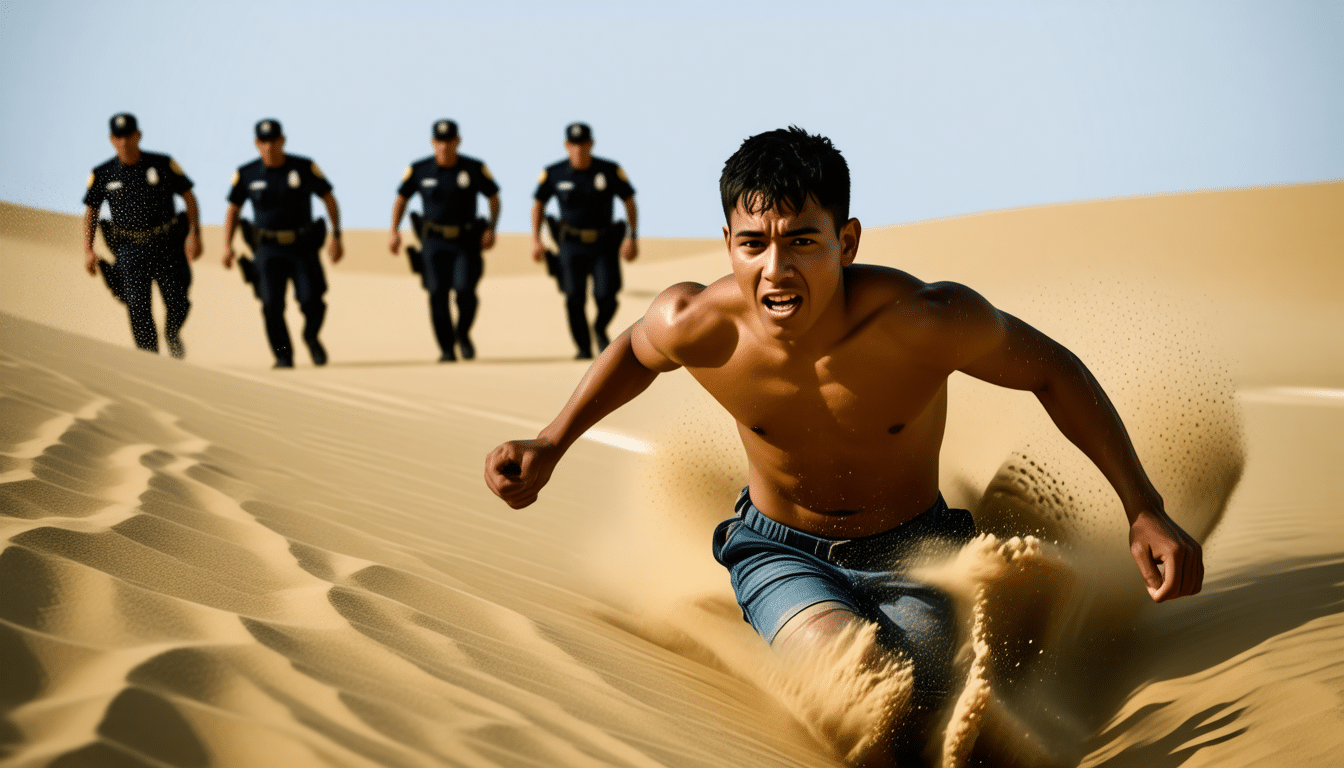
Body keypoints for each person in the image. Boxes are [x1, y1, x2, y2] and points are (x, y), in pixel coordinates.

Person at [486, 127, 1203, 761]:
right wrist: (550, 443)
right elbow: (637, 353)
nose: (776, 269)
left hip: (917, 551)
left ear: (846, 242)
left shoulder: (922, 321)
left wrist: (1142, 506)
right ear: (729, 246)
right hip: (778, 552)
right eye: (752, 244)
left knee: (922, 708)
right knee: (863, 689)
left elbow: (1052, 370)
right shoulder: (699, 322)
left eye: (802, 240)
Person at [222, 118, 343, 368]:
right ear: (257, 144)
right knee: (271, 305)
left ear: (283, 141)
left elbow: (328, 198)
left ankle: (311, 336)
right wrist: (227, 244)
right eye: (263, 142)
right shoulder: (247, 174)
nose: (269, 147)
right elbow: (233, 210)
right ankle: (283, 355)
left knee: (313, 301)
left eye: (274, 141)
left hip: (302, 247)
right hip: (267, 250)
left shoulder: (304, 167)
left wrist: (337, 235)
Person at [82, 112, 203, 358]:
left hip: (167, 244)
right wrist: (87, 249)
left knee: (178, 302)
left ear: (138, 135)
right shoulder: (103, 173)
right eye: (118, 137)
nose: (124, 141)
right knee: (138, 309)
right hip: (130, 250)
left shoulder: (162, 163)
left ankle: (171, 333)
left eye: (128, 135)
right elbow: (91, 211)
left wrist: (195, 234)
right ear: (112, 140)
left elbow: (189, 196)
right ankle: (151, 363)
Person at [388, 119, 500, 361]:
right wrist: (394, 230)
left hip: (466, 242)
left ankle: (463, 334)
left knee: (465, 291)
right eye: (439, 141)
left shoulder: (474, 168)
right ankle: (446, 348)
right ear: (432, 142)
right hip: (433, 243)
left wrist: (491, 227)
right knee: (437, 294)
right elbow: (401, 200)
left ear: (457, 141)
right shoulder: (419, 170)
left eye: (449, 141)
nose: (444, 146)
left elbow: (493, 197)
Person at [531, 122, 638, 359]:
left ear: (591, 144)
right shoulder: (554, 173)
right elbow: (539, 203)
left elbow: (629, 200)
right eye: (574, 144)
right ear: (567, 146)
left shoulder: (609, 170)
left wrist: (632, 237)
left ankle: (599, 328)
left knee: (607, 295)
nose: (578, 149)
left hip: (604, 244)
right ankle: (582, 347)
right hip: (571, 246)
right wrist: (536, 239)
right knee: (574, 297)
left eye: (583, 144)